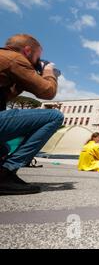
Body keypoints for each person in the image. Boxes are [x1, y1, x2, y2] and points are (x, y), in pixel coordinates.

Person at [0, 34, 63, 195]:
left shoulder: (5, 58)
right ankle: (5, 173)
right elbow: (47, 91)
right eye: (38, 57)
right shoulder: (15, 59)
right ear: (27, 51)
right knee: (55, 116)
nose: (38, 61)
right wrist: (49, 71)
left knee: (4, 148)